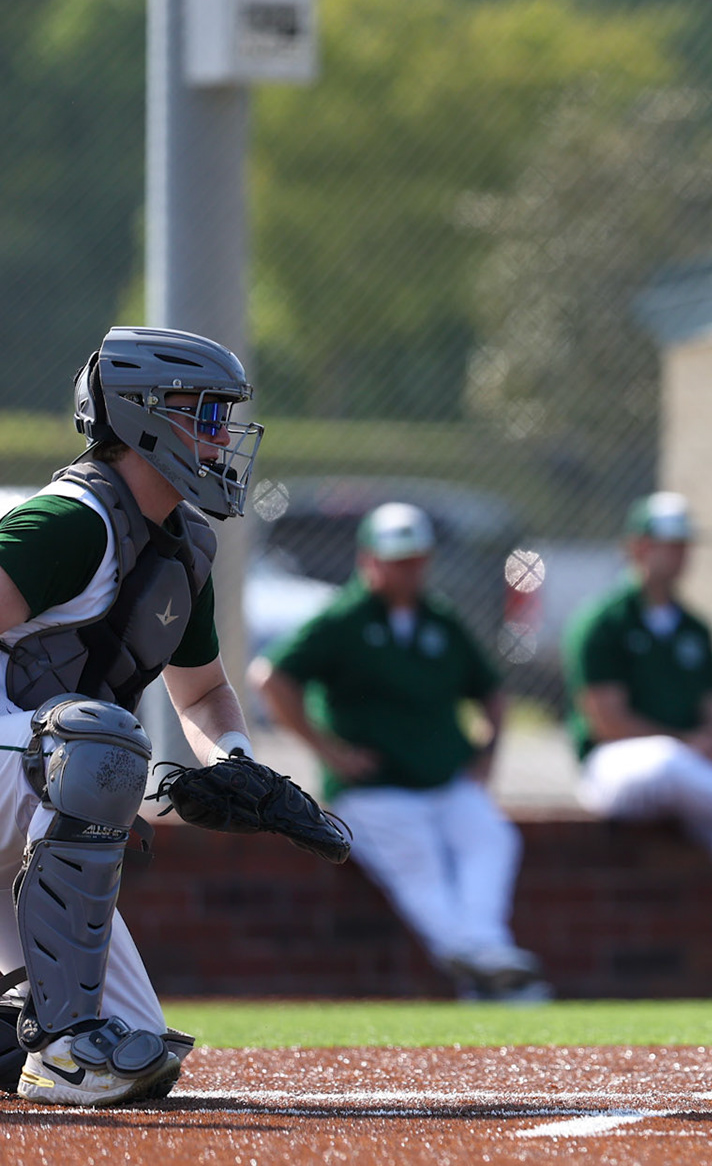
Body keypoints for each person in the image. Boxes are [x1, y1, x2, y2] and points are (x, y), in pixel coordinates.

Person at [0, 327, 303, 1105]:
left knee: (139, 1052)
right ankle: (65, 1048)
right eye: (204, 416)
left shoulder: (180, 547)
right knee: (96, 746)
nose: (221, 437)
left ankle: (50, 1034)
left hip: (23, 799)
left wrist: (233, 759)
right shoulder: (72, 522)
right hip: (27, 777)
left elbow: (201, 693)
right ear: (141, 416)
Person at [252, 503, 546, 1001]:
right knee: (419, 864)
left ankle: (482, 956)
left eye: (415, 558)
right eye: (395, 558)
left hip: (445, 779)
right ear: (368, 559)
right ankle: (486, 965)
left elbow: (491, 691)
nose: (408, 569)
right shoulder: (344, 618)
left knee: (492, 838)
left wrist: (487, 755)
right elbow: (271, 678)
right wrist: (329, 751)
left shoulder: (441, 618)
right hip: (373, 790)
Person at [565, 492, 712, 999]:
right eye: (666, 545)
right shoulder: (603, 620)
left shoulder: (696, 627)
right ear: (637, 548)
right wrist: (688, 743)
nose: (678, 555)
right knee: (672, 761)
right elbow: (607, 722)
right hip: (617, 771)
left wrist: (710, 742)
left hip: (690, 773)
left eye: (683, 545)